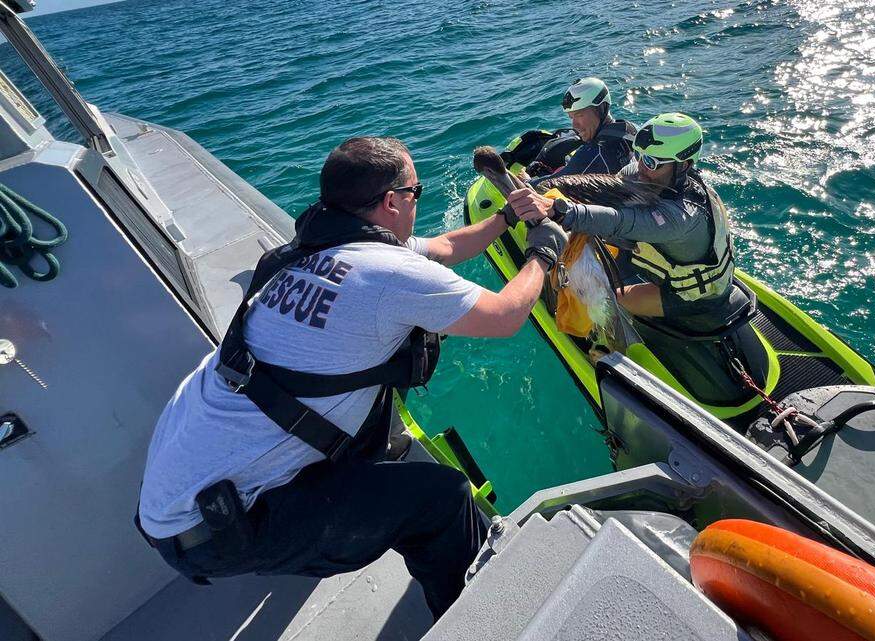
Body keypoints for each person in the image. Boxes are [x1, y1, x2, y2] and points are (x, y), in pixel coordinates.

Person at [136, 136, 566, 619]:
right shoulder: (385, 272)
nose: (416, 203)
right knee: (443, 501)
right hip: (216, 530)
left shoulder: (309, 253)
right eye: (415, 192)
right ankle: (475, 623)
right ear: (391, 202)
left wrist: (507, 217)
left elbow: (443, 247)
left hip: (174, 503)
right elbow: (505, 316)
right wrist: (543, 255)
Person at [508, 113, 736, 330]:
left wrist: (559, 211)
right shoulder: (656, 178)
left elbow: (620, 221)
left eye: (653, 162)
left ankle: (611, 349)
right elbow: (612, 186)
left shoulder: (679, 217)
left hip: (692, 296)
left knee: (602, 301)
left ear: (683, 165)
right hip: (675, 263)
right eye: (640, 156)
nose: (642, 167)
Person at [532, 77, 636, 178]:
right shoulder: (629, 128)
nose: (574, 125)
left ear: (602, 108)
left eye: (579, 115)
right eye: (571, 117)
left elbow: (543, 185)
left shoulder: (593, 154)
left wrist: (526, 178)